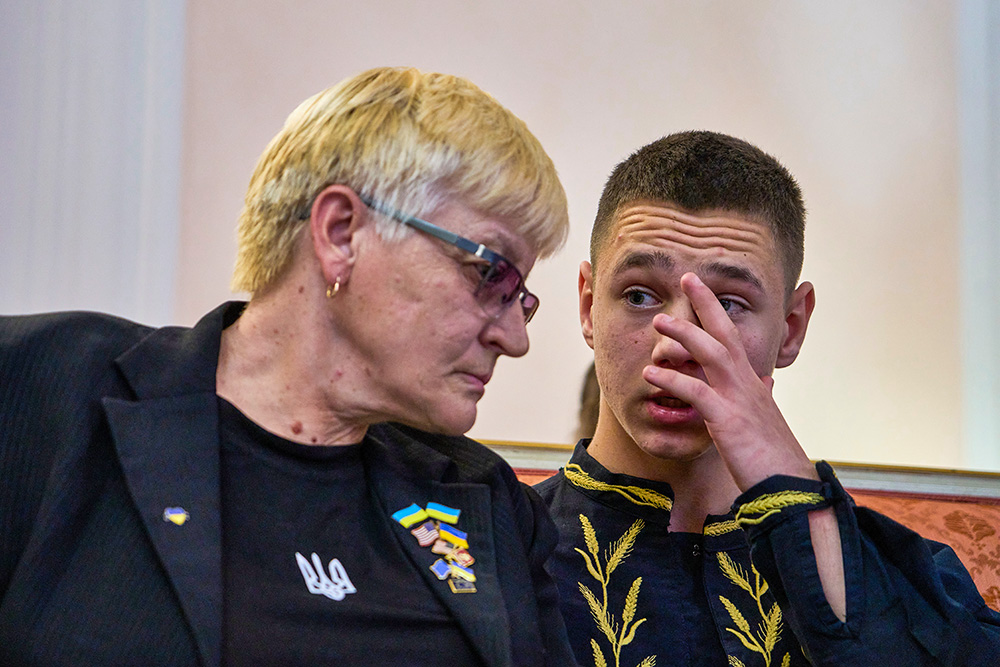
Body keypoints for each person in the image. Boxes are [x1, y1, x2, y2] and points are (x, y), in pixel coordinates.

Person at [0, 67, 577, 666]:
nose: (515, 339)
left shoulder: (487, 503)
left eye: (520, 298)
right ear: (342, 234)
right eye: (490, 273)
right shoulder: (41, 392)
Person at [536, 130, 1000, 666]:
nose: (676, 346)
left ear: (791, 327)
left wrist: (795, 497)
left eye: (728, 305)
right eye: (639, 296)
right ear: (588, 306)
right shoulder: (506, 554)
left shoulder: (904, 578)